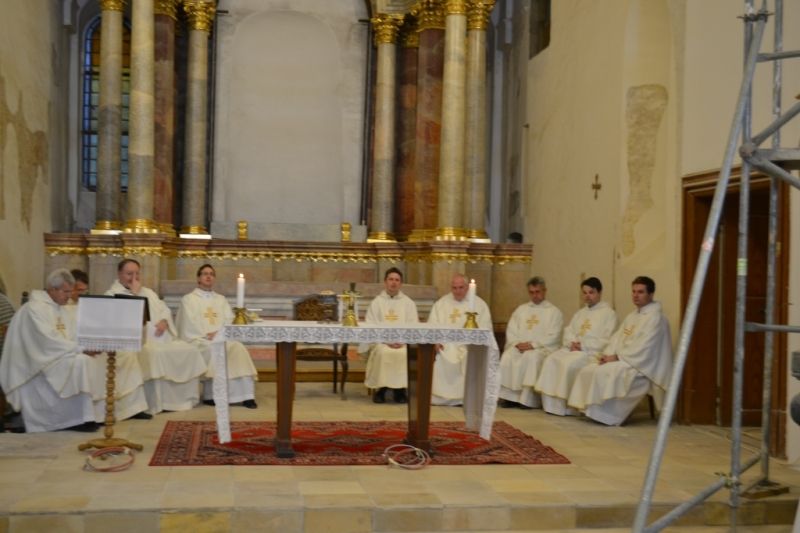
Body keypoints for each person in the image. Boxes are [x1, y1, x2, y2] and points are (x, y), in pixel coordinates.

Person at [0, 269, 98, 432]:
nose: (69, 296)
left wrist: (87, 345)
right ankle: (66, 420)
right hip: (35, 363)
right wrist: (80, 349)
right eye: (66, 292)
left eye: (70, 291)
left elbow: (72, 335)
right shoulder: (34, 309)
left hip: (54, 356)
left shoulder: (61, 308)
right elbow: (47, 341)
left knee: (87, 360)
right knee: (80, 361)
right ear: (52, 289)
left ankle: (83, 417)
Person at [106, 259, 207, 414]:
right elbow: (123, 321)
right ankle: (158, 402)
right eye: (129, 274)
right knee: (155, 354)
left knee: (190, 350)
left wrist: (165, 321)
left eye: (137, 273)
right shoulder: (111, 295)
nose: (134, 278)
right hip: (137, 344)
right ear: (119, 274)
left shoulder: (149, 293)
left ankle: (183, 400)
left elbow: (164, 310)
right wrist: (134, 294)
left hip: (161, 339)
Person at [568, 276, 673, 426]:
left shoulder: (656, 319)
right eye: (633, 291)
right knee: (590, 369)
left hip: (642, 366)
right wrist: (607, 355)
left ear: (651, 294)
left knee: (606, 372)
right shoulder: (633, 315)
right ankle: (593, 411)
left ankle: (608, 416)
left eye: (640, 292)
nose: (635, 295)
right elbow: (616, 339)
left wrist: (616, 357)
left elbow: (644, 348)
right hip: (626, 359)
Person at [176, 264, 258, 409]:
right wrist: (207, 336)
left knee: (238, 348)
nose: (208, 276)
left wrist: (220, 333)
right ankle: (211, 395)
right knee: (214, 349)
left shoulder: (221, 299)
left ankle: (246, 396)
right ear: (198, 278)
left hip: (222, 337)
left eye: (211, 274)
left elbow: (229, 320)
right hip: (200, 340)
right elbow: (188, 323)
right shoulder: (188, 299)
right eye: (205, 274)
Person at [535, 277, 617, 416]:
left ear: (599, 292)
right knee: (551, 359)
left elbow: (607, 340)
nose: (587, 296)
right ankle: (551, 406)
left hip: (591, 353)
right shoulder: (580, 313)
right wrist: (572, 342)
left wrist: (583, 345)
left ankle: (567, 407)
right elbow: (569, 331)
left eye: (591, 292)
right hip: (573, 349)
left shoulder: (609, 314)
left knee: (568, 364)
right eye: (584, 293)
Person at [498, 276, 563, 409]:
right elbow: (512, 329)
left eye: (537, 292)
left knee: (531, 357)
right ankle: (509, 397)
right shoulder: (521, 310)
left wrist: (532, 345)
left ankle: (527, 400)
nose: (535, 295)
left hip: (540, 349)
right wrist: (517, 343)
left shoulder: (554, 312)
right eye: (531, 292)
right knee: (508, 356)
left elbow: (554, 335)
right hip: (520, 346)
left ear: (544, 291)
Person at [428, 273, 493, 406]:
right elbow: (432, 324)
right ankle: (440, 397)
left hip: (468, 346)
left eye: (461, 287)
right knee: (443, 357)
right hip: (446, 345)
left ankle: (465, 398)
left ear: (467, 287)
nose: (457, 291)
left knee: (467, 356)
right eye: (454, 288)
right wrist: (436, 342)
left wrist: (475, 344)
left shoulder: (480, 305)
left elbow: (486, 328)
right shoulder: (441, 303)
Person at [361, 267, 419, 403]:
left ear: (401, 283)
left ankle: (400, 391)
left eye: (397, 280)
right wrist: (387, 341)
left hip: (402, 343)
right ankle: (381, 389)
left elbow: (413, 327)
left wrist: (402, 341)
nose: (393, 283)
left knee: (403, 353)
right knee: (383, 352)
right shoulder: (376, 303)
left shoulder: (408, 303)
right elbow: (371, 326)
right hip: (382, 342)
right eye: (391, 279)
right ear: (385, 282)